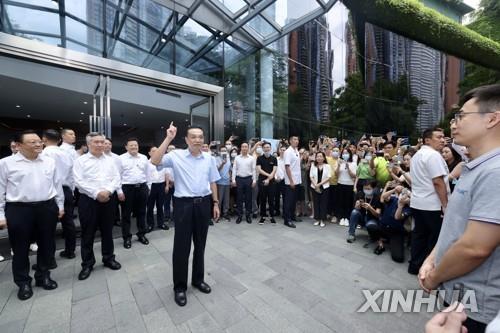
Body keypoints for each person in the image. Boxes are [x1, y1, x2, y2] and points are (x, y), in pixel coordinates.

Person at [419, 85, 500, 333]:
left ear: (492, 119)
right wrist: (432, 259)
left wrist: (434, 277)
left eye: (462, 116)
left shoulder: (495, 171)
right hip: (457, 294)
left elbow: (475, 248)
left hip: (475, 307)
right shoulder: (475, 166)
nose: (454, 124)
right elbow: (456, 225)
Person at [151, 123, 220, 307]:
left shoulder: (209, 158)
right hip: (183, 205)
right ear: (187, 140)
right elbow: (155, 161)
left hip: (203, 203)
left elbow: (212, 181)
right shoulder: (176, 156)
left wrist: (215, 203)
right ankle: (179, 287)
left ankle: (198, 280)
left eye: (200, 136)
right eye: (194, 137)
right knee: (181, 248)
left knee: (200, 245)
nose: (197, 139)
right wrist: (168, 138)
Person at [0, 130, 64, 300]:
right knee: (20, 248)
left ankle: (43, 276)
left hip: (47, 207)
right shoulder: (6, 163)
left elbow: (56, 185)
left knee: (47, 244)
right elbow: (0, 190)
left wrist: (60, 205)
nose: (38, 144)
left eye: (39, 141)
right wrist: (0, 214)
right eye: (32, 142)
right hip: (19, 209)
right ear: (19, 145)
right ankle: (23, 282)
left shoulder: (49, 161)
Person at [73, 132, 122, 281]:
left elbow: (116, 178)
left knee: (107, 231)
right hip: (88, 201)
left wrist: (107, 191)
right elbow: (78, 181)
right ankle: (87, 264)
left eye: (102, 142)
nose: (100, 144)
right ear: (88, 144)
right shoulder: (80, 161)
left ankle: (108, 258)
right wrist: (96, 193)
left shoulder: (111, 160)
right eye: (96, 142)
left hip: (108, 199)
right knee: (88, 233)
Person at [408, 127, 449, 275]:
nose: (443, 140)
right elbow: (438, 181)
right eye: (439, 137)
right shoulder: (433, 156)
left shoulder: (417, 155)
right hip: (432, 205)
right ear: (427, 140)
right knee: (434, 238)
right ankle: (429, 269)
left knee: (419, 235)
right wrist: (445, 205)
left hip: (418, 202)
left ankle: (414, 265)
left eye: (443, 137)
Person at [42, 129, 76, 260]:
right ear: (59, 139)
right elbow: (72, 174)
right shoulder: (66, 153)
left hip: (51, 191)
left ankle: (49, 257)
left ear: (44, 139)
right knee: (68, 223)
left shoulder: (44, 153)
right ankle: (70, 251)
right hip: (66, 189)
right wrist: (71, 190)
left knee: (48, 225)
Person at [118, 138, 153, 249]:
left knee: (142, 212)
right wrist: (119, 191)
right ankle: (127, 237)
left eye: (136, 145)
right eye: (131, 145)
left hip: (142, 187)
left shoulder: (143, 157)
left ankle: (141, 234)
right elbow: (117, 176)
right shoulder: (120, 159)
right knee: (126, 214)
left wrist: (148, 187)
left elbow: (148, 173)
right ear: (126, 147)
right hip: (127, 188)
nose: (134, 147)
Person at [378, 182, 412, 261]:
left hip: (396, 232)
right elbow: (383, 197)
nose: (404, 197)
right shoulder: (394, 199)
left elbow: (397, 217)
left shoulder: (409, 209)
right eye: (403, 194)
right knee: (372, 226)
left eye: (406, 196)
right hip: (383, 227)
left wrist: (400, 206)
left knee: (398, 258)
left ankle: (389, 241)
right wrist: (394, 189)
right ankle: (380, 240)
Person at [232, 142, 256, 224]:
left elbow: (253, 170)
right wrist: (233, 180)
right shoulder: (237, 158)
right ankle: (239, 215)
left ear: (248, 148)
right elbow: (234, 169)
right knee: (239, 198)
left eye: (246, 147)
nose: (244, 148)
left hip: (248, 179)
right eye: (243, 147)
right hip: (239, 179)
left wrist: (254, 180)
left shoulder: (251, 158)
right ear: (241, 148)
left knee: (248, 198)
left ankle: (248, 215)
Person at [146, 146, 169, 231]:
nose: (155, 152)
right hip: (151, 186)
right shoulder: (147, 163)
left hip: (161, 185)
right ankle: (150, 224)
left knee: (160, 205)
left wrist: (166, 185)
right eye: (153, 151)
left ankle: (161, 223)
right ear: (149, 153)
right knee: (150, 207)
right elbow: (145, 176)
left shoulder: (162, 162)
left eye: (157, 151)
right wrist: (147, 188)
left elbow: (166, 174)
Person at [256, 141, 277, 225]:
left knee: (271, 200)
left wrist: (268, 179)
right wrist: (268, 176)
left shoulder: (274, 158)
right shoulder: (259, 158)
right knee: (263, 199)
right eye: (265, 147)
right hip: (262, 181)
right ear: (262, 148)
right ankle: (263, 216)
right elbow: (259, 170)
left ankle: (272, 216)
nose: (266, 149)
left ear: (270, 148)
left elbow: (274, 170)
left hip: (271, 182)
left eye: (268, 147)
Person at [283, 135, 301, 228]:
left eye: (297, 139)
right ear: (290, 141)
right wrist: (291, 181)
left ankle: (293, 216)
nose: (296, 141)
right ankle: (287, 220)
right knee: (288, 201)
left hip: (297, 180)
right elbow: (287, 166)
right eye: (294, 139)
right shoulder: (288, 152)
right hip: (291, 181)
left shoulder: (296, 150)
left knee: (294, 200)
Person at [336, 148, 357, 226]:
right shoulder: (340, 162)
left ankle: (347, 218)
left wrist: (348, 168)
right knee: (341, 201)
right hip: (340, 183)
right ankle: (342, 218)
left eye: (347, 153)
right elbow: (336, 174)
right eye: (344, 153)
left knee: (348, 202)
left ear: (350, 154)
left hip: (349, 185)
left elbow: (354, 175)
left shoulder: (353, 163)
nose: (345, 155)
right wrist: (338, 166)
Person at [104, 138, 122, 226]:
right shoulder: (98, 156)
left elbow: (119, 173)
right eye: (105, 143)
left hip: (113, 185)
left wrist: (119, 189)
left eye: (109, 144)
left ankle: (116, 219)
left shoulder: (116, 157)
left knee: (114, 205)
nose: (107, 145)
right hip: (102, 186)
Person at [309, 152, 331, 227]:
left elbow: (328, 177)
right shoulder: (313, 165)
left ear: (324, 158)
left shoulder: (327, 166)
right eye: (317, 156)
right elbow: (311, 176)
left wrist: (319, 184)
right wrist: (315, 185)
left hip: (324, 187)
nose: (319, 158)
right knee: (316, 203)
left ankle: (322, 220)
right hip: (314, 187)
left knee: (323, 203)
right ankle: (317, 219)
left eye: (320, 156)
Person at [215, 145, 231, 222]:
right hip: (220, 182)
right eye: (222, 150)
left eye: (225, 150)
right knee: (219, 199)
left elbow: (230, 170)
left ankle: (225, 213)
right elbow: (216, 170)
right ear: (219, 151)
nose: (223, 152)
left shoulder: (229, 159)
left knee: (226, 199)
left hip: (227, 182)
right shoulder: (217, 159)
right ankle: (218, 214)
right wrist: (222, 163)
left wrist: (231, 179)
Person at [326, 147, 340, 223]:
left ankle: (334, 215)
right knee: (328, 199)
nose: (335, 152)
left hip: (337, 183)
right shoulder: (328, 159)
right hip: (328, 183)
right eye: (334, 150)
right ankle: (328, 213)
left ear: (339, 152)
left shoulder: (340, 160)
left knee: (335, 200)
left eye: (337, 151)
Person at [163, 144, 176, 223]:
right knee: (166, 201)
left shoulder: (178, 159)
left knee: (176, 201)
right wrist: (168, 183)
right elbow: (165, 172)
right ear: (167, 150)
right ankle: (166, 217)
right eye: (170, 149)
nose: (172, 150)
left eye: (173, 149)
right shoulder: (165, 158)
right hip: (167, 183)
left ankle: (175, 216)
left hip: (177, 184)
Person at [273, 146, 287, 217]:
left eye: (284, 150)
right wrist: (275, 177)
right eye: (281, 150)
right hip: (276, 180)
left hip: (284, 180)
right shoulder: (276, 159)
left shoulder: (287, 160)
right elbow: (274, 170)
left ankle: (285, 212)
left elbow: (287, 171)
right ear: (279, 150)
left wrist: (281, 178)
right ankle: (277, 211)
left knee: (285, 197)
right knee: (276, 196)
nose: (282, 151)